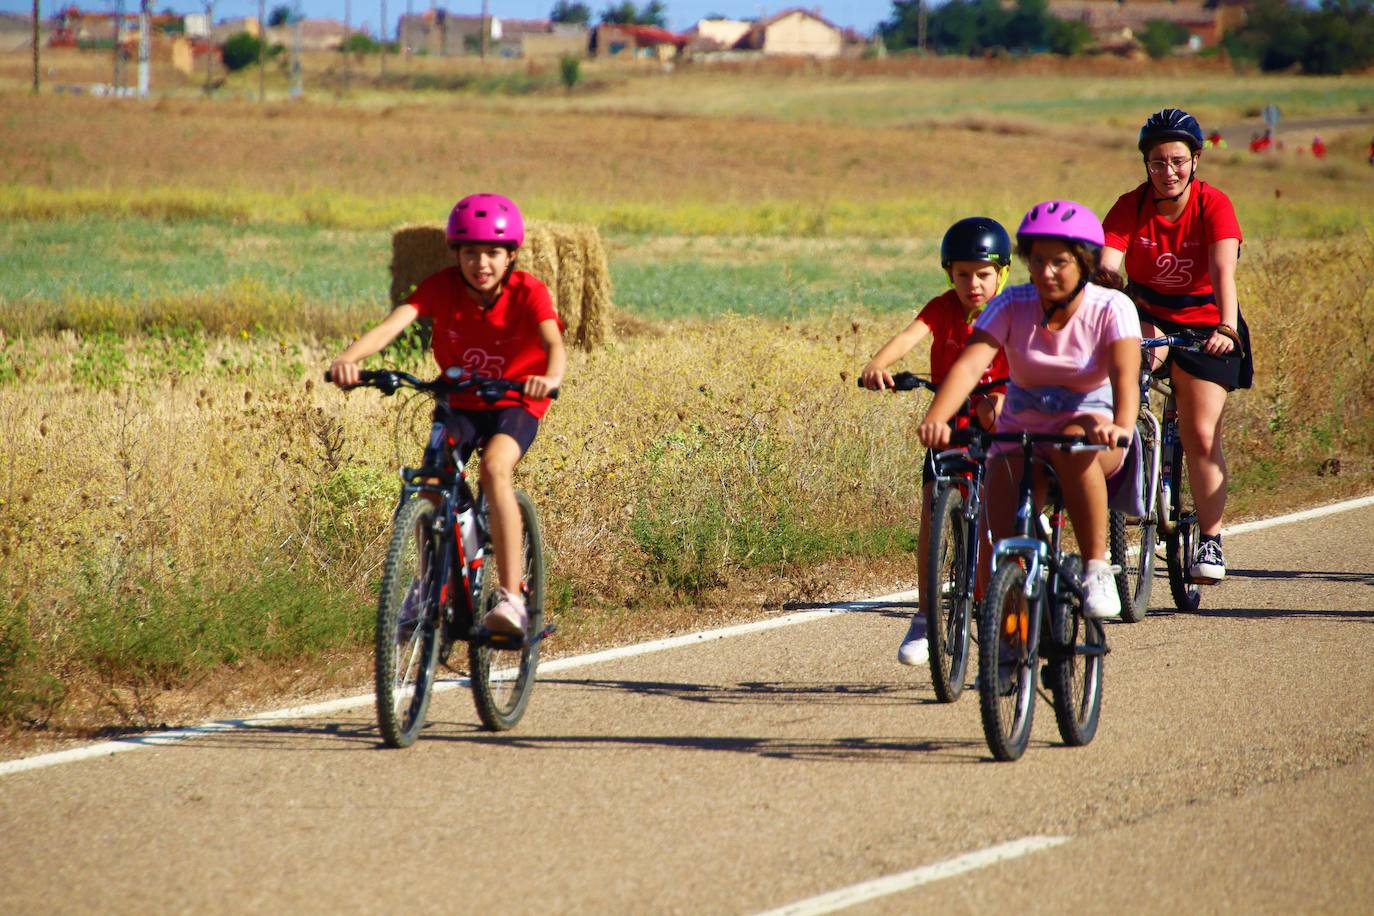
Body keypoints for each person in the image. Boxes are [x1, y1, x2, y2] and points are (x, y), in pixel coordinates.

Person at [328, 193, 566, 634]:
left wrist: (548, 379)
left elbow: (553, 343)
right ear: (456, 253)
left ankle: (512, 597)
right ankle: (426, 586)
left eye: (493, 252)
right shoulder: (441, 287)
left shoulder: (528, 291)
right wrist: (349, 360)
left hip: (515, 401)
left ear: (511, 254)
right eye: (470, 252)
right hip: (458, 400)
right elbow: (392, 325)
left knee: (495, 469)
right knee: (433, 483)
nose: (481, 263)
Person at [916, 201, 1141, 620]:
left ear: (1085, 262)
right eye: (1037, 261)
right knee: (1004, 543)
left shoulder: (1111, 307)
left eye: (1059, 261)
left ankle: (1096, 568)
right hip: (1024, 430)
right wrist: (937, 417)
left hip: (1093, 426)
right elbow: (969, 365)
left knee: (1074, 443)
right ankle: (1009, 640)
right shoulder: (1012, 304)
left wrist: (1122, 425)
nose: (1046, 272)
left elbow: (1125, 377)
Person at [1101, 108, 1252, 584]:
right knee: (1132, 370)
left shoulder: (1214, 204)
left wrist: (1226, 328)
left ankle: (1210, 537)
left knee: (1201, 435)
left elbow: (1224, 272)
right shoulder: (1130, 205)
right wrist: (1103, 286)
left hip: (1207, 321)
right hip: (1149, 313)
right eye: (1157, 162)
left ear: (1196, 160)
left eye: (1178, 161)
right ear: (1145, 164)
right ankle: (1133, 463)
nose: (1168, 172)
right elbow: (1108, 262)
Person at [861, 217, 1012, 665]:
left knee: (993, 525)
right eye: (962, 274)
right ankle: (926, 616)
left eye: (983, 274)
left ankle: (995, 605)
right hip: (950, 419)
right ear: (949, 274)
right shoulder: (942, 308)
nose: (972, 284)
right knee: (933, 508)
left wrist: (1005, 396)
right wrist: (877, 364)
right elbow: (909, 337)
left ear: (1002, 272)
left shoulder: (1013, 311)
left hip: (997, 419)